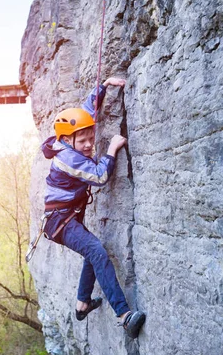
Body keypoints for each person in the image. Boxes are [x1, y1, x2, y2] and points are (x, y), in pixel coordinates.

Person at [42, 77, 145, 339]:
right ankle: (124, 316)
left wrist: (104, 86)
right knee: (97, 251)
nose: (89, 144)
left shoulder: (66, 140)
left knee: (92, 252)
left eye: (91, 138)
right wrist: (111, 148)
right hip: (60, 223)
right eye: (83, 141)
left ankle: (82, 304)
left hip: (66, 218)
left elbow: (86, 113)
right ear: (68, 141)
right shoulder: (67, 158)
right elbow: (99, 177)